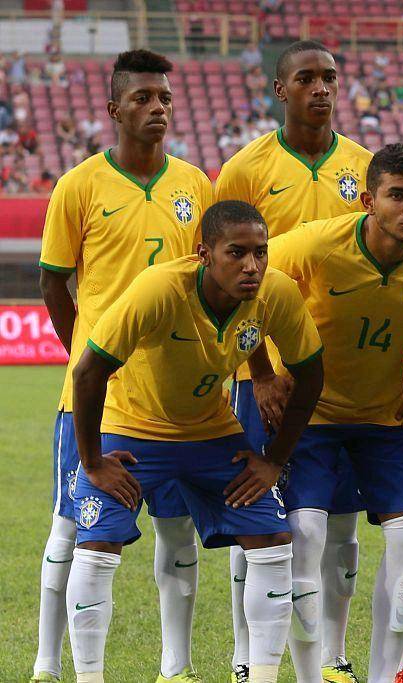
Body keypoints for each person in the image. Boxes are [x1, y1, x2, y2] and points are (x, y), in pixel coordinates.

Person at [66, 200, 325, 683]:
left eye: (260, 252)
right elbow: (88, 371)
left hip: (212, 433)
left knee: (273, 541)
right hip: (135, 429)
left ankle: (262, 677)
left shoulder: (276, 293)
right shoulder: (159, 288)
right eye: (236, 253)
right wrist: (93, 461)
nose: (252, 266)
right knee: (97, 545)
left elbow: (311, 375)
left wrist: (274, 460)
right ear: (205, 254)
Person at [250, 144, 403, 683]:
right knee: (305, 534)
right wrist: (261, 373)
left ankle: (380, 675)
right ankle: (310, 676)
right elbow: (244, 279)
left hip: (385, 418)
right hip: (311, 418)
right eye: (397, 196)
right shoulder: (317, 243)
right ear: (368, 201)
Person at [32, 49, 214, 683]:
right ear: (114, 109)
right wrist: (86, 357)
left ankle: (176, 667)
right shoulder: (79, 185)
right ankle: (47, 663)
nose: (156, 107)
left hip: (175, 395)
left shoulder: (195, 184)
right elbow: (54, 283)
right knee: (71, 528)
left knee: (176, 529)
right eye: (142, 98)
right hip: (99, 399)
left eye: (164, 97)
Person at [215, 39, 373, 683]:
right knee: (255, 514)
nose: (321, 88)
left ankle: (333, 655)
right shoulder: (244, 170)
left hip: (343, 372)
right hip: (266, 372)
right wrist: (258, 372)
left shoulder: (364, 168)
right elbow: (226, 278)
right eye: (306, 78)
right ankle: (244, 656)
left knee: (341, 523)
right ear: (281, 89)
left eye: (329, 77)